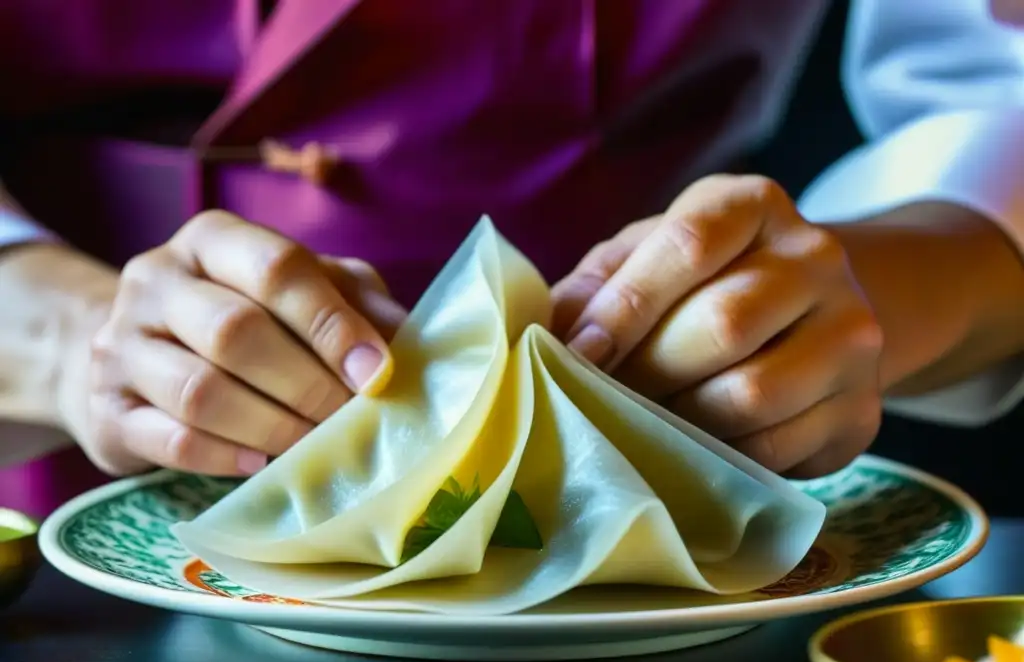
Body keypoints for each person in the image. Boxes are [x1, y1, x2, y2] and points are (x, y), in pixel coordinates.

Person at [0, 0, 1022, 519]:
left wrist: (844, 308)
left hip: (662, 572)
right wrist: (72, 338)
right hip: (47, 554)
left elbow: (994, 83)